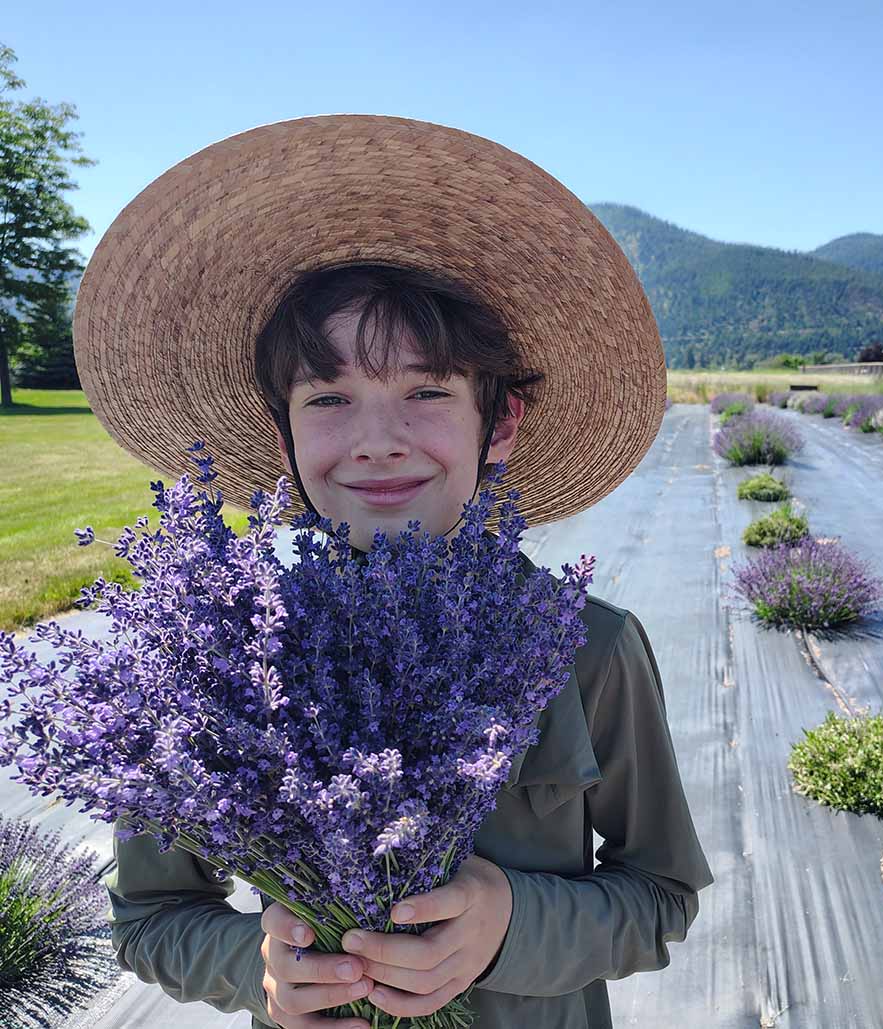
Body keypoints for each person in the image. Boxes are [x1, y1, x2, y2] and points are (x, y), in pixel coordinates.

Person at [76, 114, 713, 1029]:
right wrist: (257, 967)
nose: (377, 441)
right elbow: (148, 917)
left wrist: (508, 923)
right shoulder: (213, 655)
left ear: (498, 425)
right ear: (282, 436)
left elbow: (661, 895)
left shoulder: (588, 646)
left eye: (425, 392)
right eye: (329, 398)